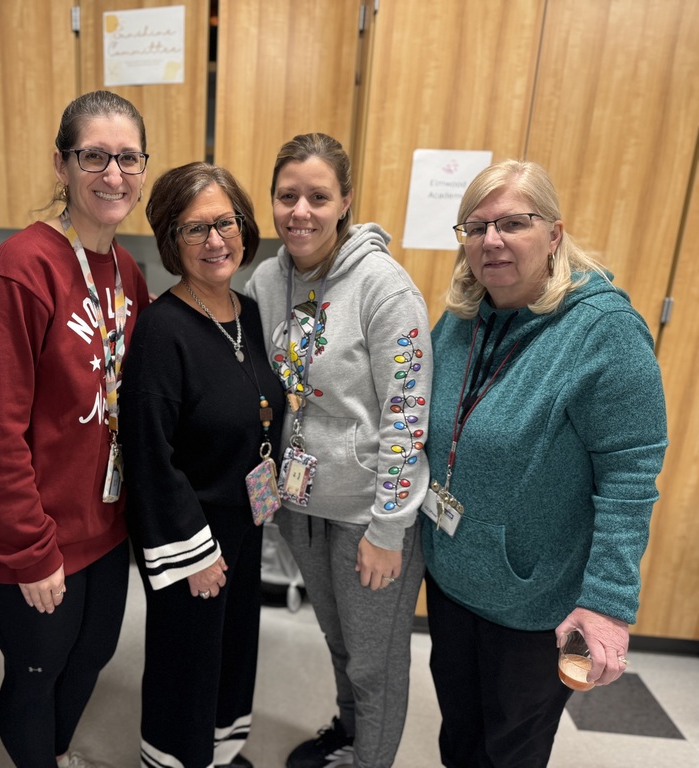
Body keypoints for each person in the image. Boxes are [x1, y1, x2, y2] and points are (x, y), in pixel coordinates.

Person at [421, 159, 668, 767]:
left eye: (513, 223)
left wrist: (608, 603)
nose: (492, 241)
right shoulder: (459, 320)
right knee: (459, 740)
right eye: (475, 227)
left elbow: (630, 478)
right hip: (453, 582)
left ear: (554, 233)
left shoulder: (603, 332)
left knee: (511, 752)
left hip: (533, 604)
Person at [0, 90, 150, 768]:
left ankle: (59, 755)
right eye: (94, 155)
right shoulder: (18, 272)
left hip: (105, 522)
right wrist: (29, 546)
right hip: (38, 535)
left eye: (127, 157)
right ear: (61, 165)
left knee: (93, 655)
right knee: (37, 672)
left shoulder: (126, 270)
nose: (113, 174)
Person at [245, 133, 432, 768]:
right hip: (302, 509)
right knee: (340, 644)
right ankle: (350, 738)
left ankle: (369, 758)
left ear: (345, 200)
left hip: (367, 518)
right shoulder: (268, 281)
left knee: (375, 662)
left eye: (318, 197)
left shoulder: (386, 289)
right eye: (287, 195)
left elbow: (406, 418)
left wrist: (389, 527)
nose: (301, 211)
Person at [119, 162, 283, 768]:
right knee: (185, 661)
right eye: (195, 229)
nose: (216, 241)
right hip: (193, 535)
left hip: (243, 524)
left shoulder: (249, 312)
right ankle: (175, 758)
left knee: (233, 649)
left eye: (226, 222)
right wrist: (194, 549)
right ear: (171, 240)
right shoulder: (163, 331)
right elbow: (149, 455)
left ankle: (218, 750)